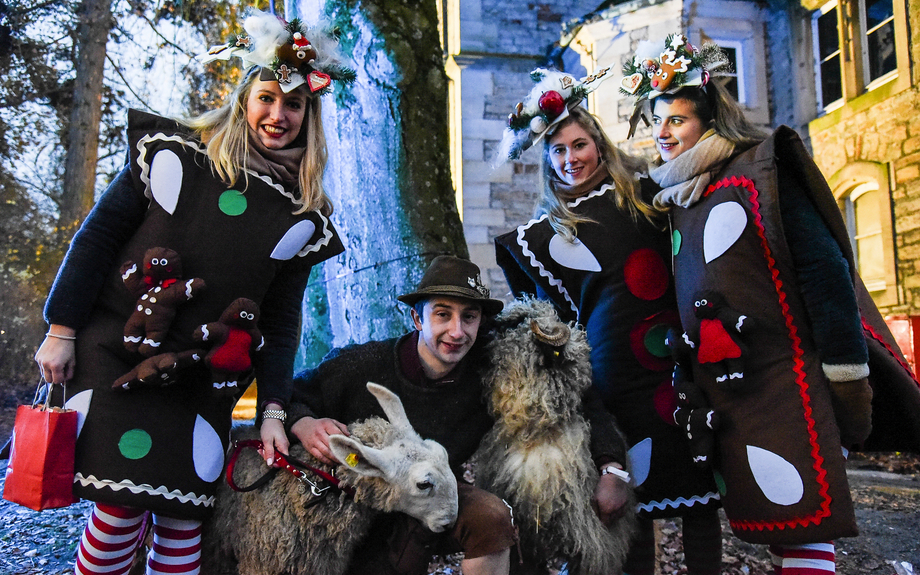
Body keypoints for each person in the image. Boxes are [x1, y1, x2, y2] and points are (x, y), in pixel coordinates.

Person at [32, 12, 349, 575]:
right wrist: (61, 330)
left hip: (204, 381)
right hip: (118, 357)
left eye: (294, 105)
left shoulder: (302, 217)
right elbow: (97, 239)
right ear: (245, 97)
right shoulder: (173, 157)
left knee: (184, 523)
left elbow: (280, 323)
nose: (279, 115)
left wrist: (273, 410)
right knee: (119, 513)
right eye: (267, 98)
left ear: (310, 116)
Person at [624, 33, 920, 574]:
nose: (663, 134)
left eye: (678, 120)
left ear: (709, 120)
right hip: (737, 393)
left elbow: (824, 271)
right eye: (656, 121)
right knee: (783, 529)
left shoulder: (760, 173)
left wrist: (848, 378)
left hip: (791, 383)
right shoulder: (681, 197)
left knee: (807, 527)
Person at [493, 69, 723, 575]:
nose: (570, 158)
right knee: (627, 513)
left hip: (677, 369)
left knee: (699, 503)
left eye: (580, 145)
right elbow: (550, 333)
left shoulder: (648, 196)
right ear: (545, 159)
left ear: (598, 143)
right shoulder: (539, 241)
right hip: (611, 384)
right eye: (558, 151)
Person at [286, 254, 632, 575]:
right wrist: (303, 421)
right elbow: (290, 394)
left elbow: (576, 396)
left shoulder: (494, 368)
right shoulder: (362, 366)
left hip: (435, 497)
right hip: (359, 514)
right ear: (417, 317)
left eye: (469, 316)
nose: (456, 331)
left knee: (492, 518)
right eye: (442, 314)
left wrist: (612, 467)